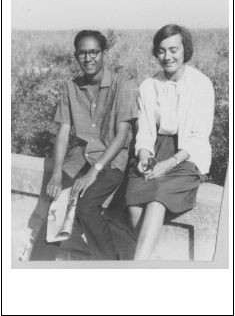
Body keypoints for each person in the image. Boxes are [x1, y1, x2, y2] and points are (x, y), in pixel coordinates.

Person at [30, 30, 137, 261]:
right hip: (80, 156)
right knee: (57, 202)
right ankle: (38, 267)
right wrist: (57, 174)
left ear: (103, 53)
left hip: (111, 159)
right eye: (82, 53)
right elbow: (64, 131)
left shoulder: (122, 86)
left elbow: (121, 136)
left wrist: (93, 173)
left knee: (86, 206)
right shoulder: (71, 87)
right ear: (76, 55)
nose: (88, 58)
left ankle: (110, 263)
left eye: (93, 52)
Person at [125, 24, 215, 260]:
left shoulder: (201, 84)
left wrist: (171, 163)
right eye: (162, 51)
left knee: (157, 200)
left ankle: (137, 268)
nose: (168, 57)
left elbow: (199, 135)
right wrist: (144, 154)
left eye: (173, 49)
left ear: (185, 50)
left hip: (187, 154)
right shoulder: (148, 86)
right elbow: (144, 128)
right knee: (133, 203)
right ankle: (149, 262)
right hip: (157, 149)